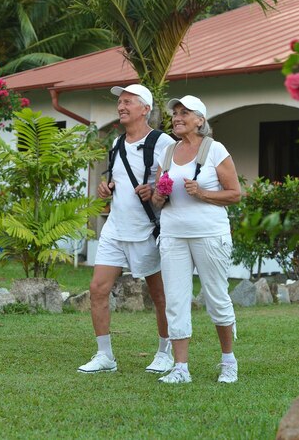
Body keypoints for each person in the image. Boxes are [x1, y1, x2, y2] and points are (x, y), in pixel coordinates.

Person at [77, 84, 175, 374]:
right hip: (115, 229)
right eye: (119, 102)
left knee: (159, 295)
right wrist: (105, 189)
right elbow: (116, 181)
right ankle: (105, 356)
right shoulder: (116, 144)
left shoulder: (163, 142)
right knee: (97, 289)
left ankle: (165, 351)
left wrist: (156, 190)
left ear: (145, 108)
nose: (121, 106)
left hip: (148, 231)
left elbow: (175, 182)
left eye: (128, 102)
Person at [152, 95, 241, 384]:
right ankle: (181, 368)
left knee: (216, 296)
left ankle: (228, 361)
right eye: (175, 113)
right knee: (176, 301)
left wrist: (202, 193)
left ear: (200, 119)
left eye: (184, 113)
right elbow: (156, 200)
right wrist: (159, 195)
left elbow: (235, 194)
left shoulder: (215, 150)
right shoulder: (166, 153)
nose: (177, 117)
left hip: (209, 235)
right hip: (173, 235)